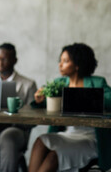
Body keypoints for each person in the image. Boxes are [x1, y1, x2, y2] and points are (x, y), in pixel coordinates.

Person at [28, 43, 111, 172]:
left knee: (53, 157)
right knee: (40, 142)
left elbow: (109, 100)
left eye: (65, 61)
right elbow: (47, 105)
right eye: (60, 61)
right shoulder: (59, 83)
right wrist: (40, 100)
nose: (60, 65)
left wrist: (86, 97)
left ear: (77, 64)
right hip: (68, 134)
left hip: (90, 137)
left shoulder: (97, 82)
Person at [0, 43, 37, 172]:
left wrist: (9, 124)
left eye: (4, 59)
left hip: (15, 131)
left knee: (8, 137)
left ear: (14, 61)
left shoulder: (28, 84)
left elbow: (34, 120)